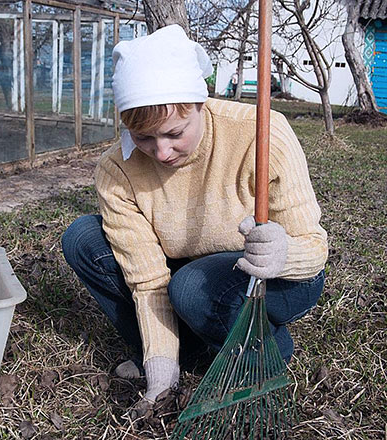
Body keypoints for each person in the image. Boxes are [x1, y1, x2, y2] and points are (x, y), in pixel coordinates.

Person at [61, 25, 327, 405]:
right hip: (184, 268)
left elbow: (315, 249)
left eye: (174, 133)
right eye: (144, 138)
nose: (162, 152)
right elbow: (149, 281)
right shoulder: (117, 171)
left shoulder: (261, 133)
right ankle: (182, 353)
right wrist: (162, 374)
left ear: (200, 103)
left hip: (271, 274)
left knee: (190, 288)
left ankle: (266, 354)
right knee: (84, 238)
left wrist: (283, 254)